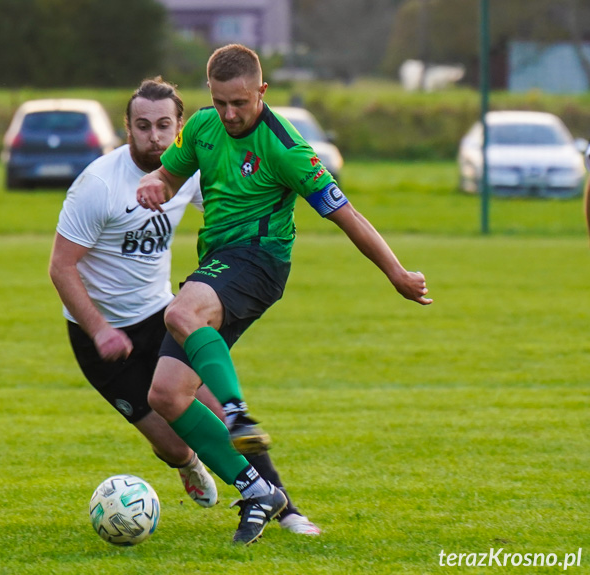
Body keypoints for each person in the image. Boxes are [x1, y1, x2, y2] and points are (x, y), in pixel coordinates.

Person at [137, 44, 433, 545]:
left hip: (261, 261)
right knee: (165, 394)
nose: (230, 114)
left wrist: (397, 273)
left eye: (241, 103)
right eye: (221, 102)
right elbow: (168, 174)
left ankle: (235, 413)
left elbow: (348, 216)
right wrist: (155, 185)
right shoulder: (204, 127)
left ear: (262, 92)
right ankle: (258, 490)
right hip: (217, 262)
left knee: (180, 312)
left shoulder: (287, 148)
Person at [49, 77, 315, 532]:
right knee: (173, 445)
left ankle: (286, 509)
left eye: (163, 125)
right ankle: (189, 463)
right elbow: (60, 267)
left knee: (225, 410)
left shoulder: (189, 170)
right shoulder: (97, 185)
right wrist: (99, 329)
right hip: (102, 337)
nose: (153, 135)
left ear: (180, 128)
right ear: (127, 128)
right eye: (142, 125)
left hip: (162, 315)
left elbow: (229, 202)